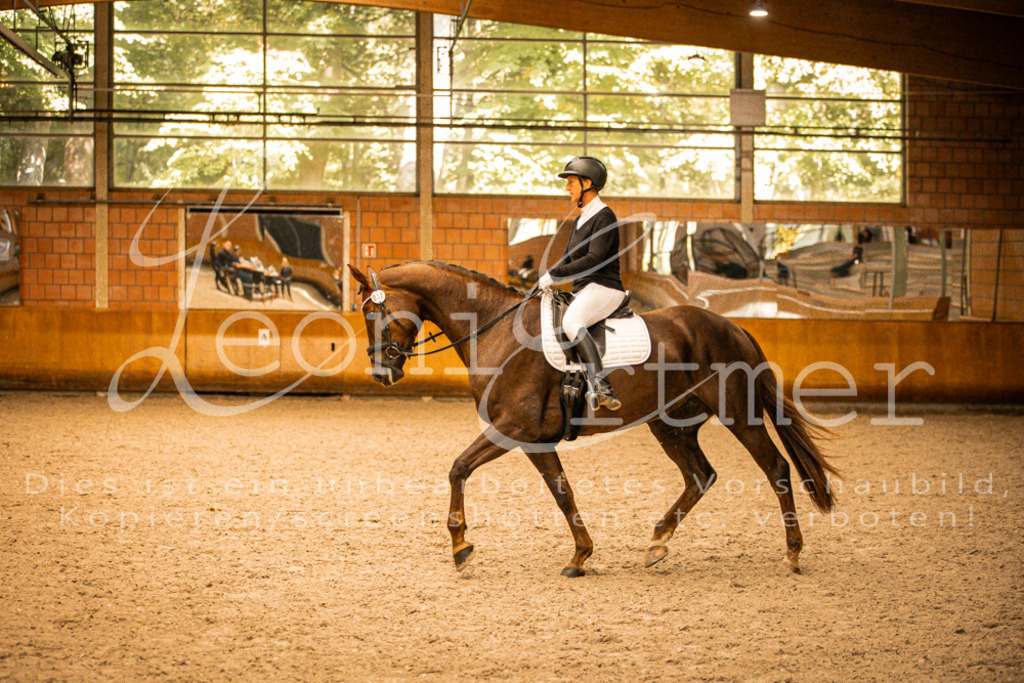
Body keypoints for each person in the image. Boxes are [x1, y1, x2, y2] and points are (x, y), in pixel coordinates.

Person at [536, 156, 624, 411]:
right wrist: (546, 278)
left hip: (605, 288)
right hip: (584, 290)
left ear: (588, 183)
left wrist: (555, 274)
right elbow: (568, 258)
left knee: (572, 322)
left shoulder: (604, 216)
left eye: (572, 182)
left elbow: (594, 259)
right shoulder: (581, 219)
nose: (567, 188)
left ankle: (601, 385)